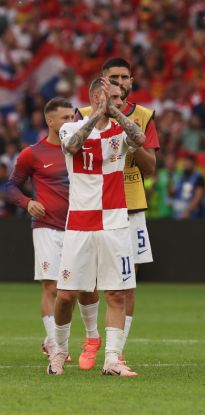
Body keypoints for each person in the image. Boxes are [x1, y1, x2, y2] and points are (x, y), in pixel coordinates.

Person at [46, 78, 145, 376]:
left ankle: (112, 359)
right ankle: (60, 351)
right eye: (111, 97)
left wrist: (115, 114)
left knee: (116, 293)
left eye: (120, 97)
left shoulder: (120, 128)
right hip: (79, 224)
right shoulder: (71, 127)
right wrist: (94, 116)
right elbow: (72, 146)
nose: (117, 101)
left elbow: (139, 140)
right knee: (66, 294)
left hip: (115, 223)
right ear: (95, 97)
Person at [76, 57, 160, 368]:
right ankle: (91, 335)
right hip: (92, 205)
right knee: (87, 279)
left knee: (127, 281)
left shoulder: (143, 116)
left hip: (130, 204)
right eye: (114, 77)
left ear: (132, 81)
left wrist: (130, 136)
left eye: (125, 77)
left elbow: (150, 168)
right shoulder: (83, 115)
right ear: (102, 81)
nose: (121, 82)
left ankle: (117, 350)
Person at [6, 98, 100, 364]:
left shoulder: (81, 148)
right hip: (47, 227)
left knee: (87, 287)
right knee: (51, 287)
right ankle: (57, 345)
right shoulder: (32, 153)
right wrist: (28, 202)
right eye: (65, 118)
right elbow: (11, 187)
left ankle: (82, 338)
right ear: (50, 121)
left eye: (73, 117)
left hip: (81, 226)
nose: (71, 122)